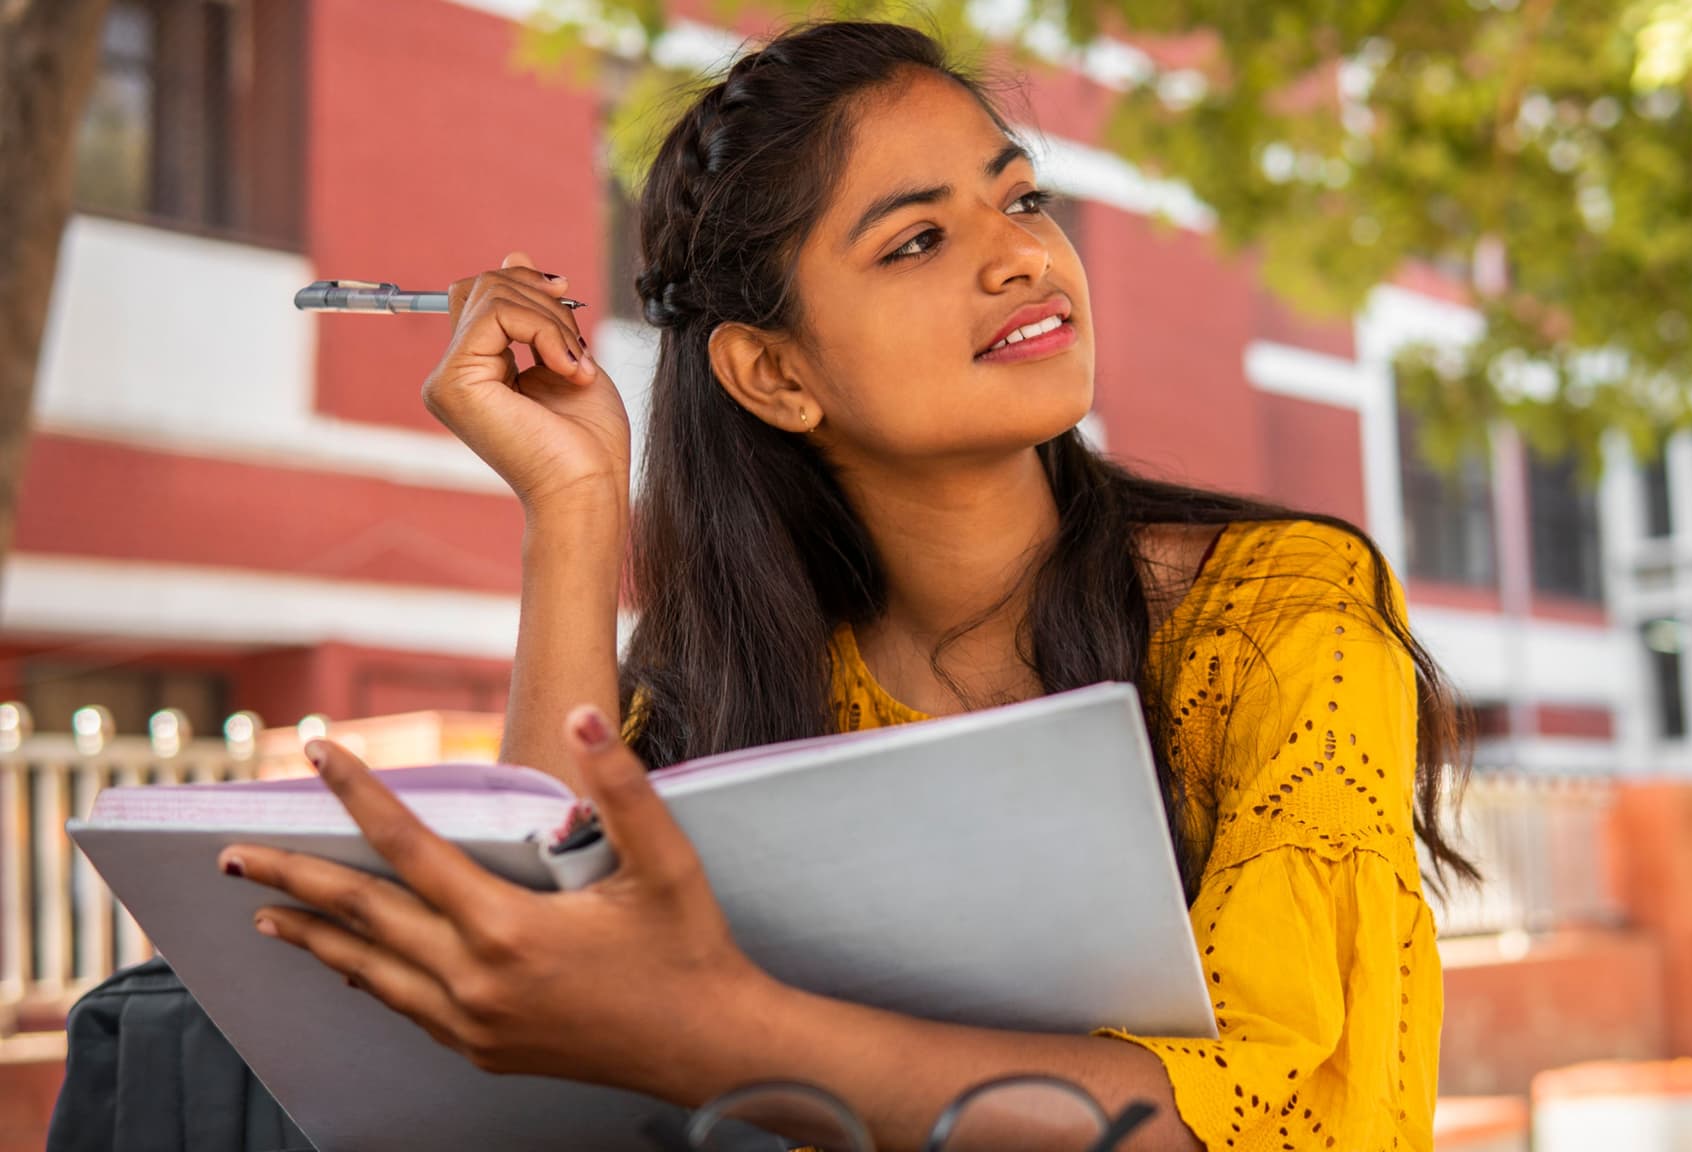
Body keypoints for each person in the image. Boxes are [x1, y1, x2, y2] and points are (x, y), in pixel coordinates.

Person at [219, 20, 1476, 1152]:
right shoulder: (753, 676)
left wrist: (713, 1032)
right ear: (771, 374)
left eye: (1021, 197)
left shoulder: (1283, 611)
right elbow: (533, 973)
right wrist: (574, 504)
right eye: (918, 238)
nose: (1020, 258)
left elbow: (1248, 1113)